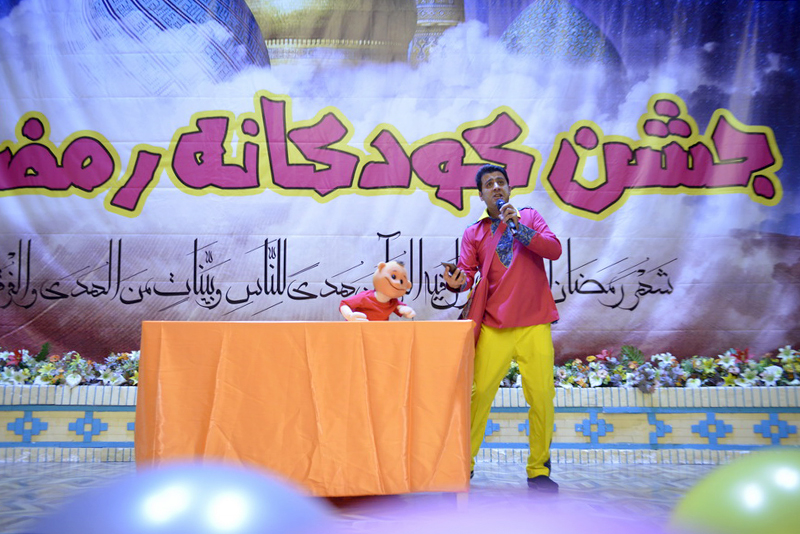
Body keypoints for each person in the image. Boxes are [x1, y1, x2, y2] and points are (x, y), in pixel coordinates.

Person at [443, 164, 562, 493]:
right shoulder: (474, 232)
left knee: (542, 397)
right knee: (479, 395)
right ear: (480, 195)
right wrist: (455, 282)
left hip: (535, 323)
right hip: (495, 325)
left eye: (501, 182)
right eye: (489, 184)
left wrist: (518, 227)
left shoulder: (529, 217)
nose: (496, 187)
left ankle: (538, 471)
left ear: (509, 189)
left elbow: (553, 250)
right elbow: (467, 275)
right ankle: (461, 467)